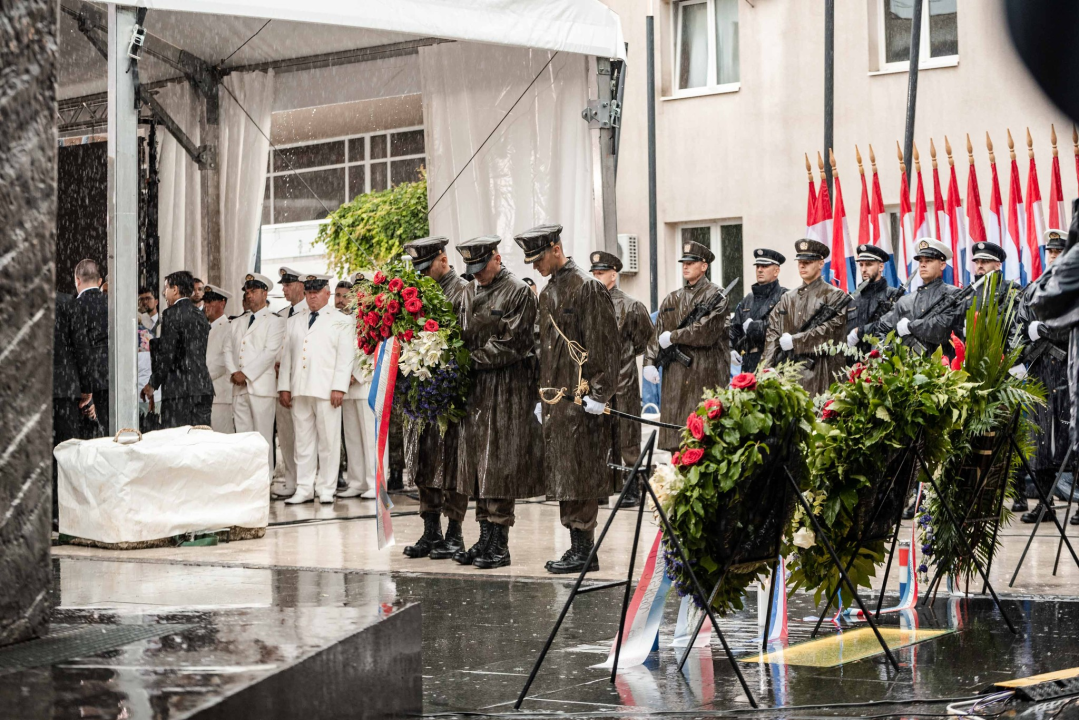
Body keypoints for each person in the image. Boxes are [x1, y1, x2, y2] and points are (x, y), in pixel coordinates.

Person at [517, 224, 620, 575]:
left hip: (581, 398)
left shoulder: (587, 288)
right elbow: (544, 348)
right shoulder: (547, 294)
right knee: (563, 469)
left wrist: (600, 393)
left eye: (538, 258)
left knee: (581, 470)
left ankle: (584, 549)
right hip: (555, 398)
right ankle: (576, 547)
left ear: (556, 248)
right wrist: (540, 393)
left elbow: (605, 346)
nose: (535, 266)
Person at [453, 235, 542, 568]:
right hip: (476, 388)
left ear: (496, 258)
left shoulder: (518, 291)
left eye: (481, 267)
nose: (478, 275)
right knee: (479, 463)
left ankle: (500, 544)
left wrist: (469, 359)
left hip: (507, 386)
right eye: (472, 269)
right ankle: (484, 537)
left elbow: (515, 343)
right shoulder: (470, 290)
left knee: (499, 463)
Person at [395, 237, 475, 558]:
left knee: (453, 463)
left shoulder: (463, 292)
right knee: (423, 459)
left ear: (443, 260)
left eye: (426, 268)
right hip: (420, 392)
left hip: (451, 393)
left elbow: (467, 341)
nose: (422, 276)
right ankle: (431, 531)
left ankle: (454, 533)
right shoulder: (418, 293)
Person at [642, 239, 730, 452]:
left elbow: (705, 331)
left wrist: (674, 336)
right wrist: (650, 361)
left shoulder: (717, 296)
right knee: (676, 437)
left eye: (691, 262)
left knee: (703, 438)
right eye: (684, 262)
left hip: (705, 373)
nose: (685, 266)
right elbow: (656, 333)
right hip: (675, 378)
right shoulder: (672, 298)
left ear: (704, 265)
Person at [277, 273, 355, 504]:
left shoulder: (341, 319)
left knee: (329, 442)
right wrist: (284, 387)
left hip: (326, 389)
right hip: (300, 388)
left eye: (316, 292)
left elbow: (345, 356)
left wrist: (339, 387)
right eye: (309, 292)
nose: (312, 297)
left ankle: (326, 488)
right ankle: (304, 488)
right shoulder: (294, 321)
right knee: (302, 442)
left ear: (327, 293)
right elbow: (287, 357)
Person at [1016, 229, 1072, 522]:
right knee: (1039, 439)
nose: (1052, 256)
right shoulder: (1033, 288)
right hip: (1038, 371)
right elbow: (1017, 326)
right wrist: (1025, 343)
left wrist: (1046, 331)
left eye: (1058, 251)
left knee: (1069, 436)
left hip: (1067, 372)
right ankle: (1045, 503)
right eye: (1049, 251)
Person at [589, 250, 652, 506]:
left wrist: (626, 359)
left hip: (624, 379)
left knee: (627, 435)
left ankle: (633, 487)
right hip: (596, 380)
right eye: (593, 273)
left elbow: (645, 340)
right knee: (601, 435)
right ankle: (604, 484)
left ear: (613, 275)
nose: (595, 277)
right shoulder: (589, 305)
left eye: (600, 273)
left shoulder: (631, 306)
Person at [762, 239, 849, 397]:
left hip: (822, 373)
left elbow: (831, 332)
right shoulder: (788, 298)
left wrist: (796, 341)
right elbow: (773, 332)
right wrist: (767, 367)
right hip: (790, 374)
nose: (802, 266)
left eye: (808, 262)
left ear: (821, 263)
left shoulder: (835, 296)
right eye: (800, 262)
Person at [868, 239, 965, 357]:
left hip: (944, 369)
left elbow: (943, 330)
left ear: (942, 265)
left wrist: (910, 326)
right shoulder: (906, 301)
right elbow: (881, 328)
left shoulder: (954, 295)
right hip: (907, 372)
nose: (923, 265)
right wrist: (882, 355)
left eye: (929, 261)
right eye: (920, 261)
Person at [142, 270, 213, 428]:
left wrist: (152, 384)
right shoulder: (200, 315)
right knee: (201, 441)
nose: (164, 293)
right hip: (202, 388)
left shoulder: (171, 314)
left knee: (178, 443)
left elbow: (167, 355)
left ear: (175, 289)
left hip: (179, 391)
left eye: (166, 288)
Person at [232, 273, 285, 478]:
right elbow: (232, 349)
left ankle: (265, 476)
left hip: (260, 386)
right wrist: (235, 372)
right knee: (243, 437)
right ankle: (247, 476)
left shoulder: (274, 321)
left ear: (265, 293)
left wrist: (245, 374)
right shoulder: (240, 321)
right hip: (240, 387)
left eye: (253, 291)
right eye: (247, 291)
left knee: (262, 436)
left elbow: (269, 352)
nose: (249, 295)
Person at [337, 275, 377, 500]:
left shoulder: (378, 316)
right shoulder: (348, 318)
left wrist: (355, 374)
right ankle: (357, 481)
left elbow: (375, 351)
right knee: (352, 436)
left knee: (370, 436)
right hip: (347, 385)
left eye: (363, 289)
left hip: (366, 383)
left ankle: (374, 481)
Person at [273, 267, 309, 498]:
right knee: (285, 435)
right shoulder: (282, 315)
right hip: (281, 381)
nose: (284, 290)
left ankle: (308, 482)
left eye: (288, 285)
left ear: (301, 286)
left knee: (305, 436)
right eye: (283, 286)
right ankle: (291, 480)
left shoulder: (310, 313)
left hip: (303, 382)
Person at [53, 291, 87, 524]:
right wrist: (86, 386)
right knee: (66, 451)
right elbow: (81, 346)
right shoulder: (66, 303)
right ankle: (63, 511)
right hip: (64, 388)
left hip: (28, 388)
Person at [731, 248, 788, 374]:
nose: (760, 270)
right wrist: (731, 349)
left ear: (776, 271)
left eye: (765, 266)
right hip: (748, 363)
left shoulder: (785, 297)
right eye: (757, 266)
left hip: (774, 362)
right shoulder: (748, 299)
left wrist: (753, 327)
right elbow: (734, 329)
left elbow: (781, 328)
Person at [73, 259, 109, 435]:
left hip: (84, 380)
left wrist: (86, 389)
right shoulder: (113, 304)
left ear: (77, 280)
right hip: (115, 377)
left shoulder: (74, 306)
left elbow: (79, 348)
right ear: (100, 281)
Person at [846, 244, 896, 350]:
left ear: (881, 267)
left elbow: (892, 325)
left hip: (880, 360)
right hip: (853, 363)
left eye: (868, 264)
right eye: (861, 265)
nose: (863, 269)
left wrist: (860, 332)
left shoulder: (893, 295)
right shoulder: (853, 298)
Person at [203, 284, 236, 433]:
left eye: (211, 302)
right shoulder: (205, 328)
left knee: (223, 441)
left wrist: (201, 377)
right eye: (206, 302)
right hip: (205, 395)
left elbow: (223, 361)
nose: (206, 305)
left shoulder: (229, 327)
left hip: (221, 396)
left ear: (222, 303)